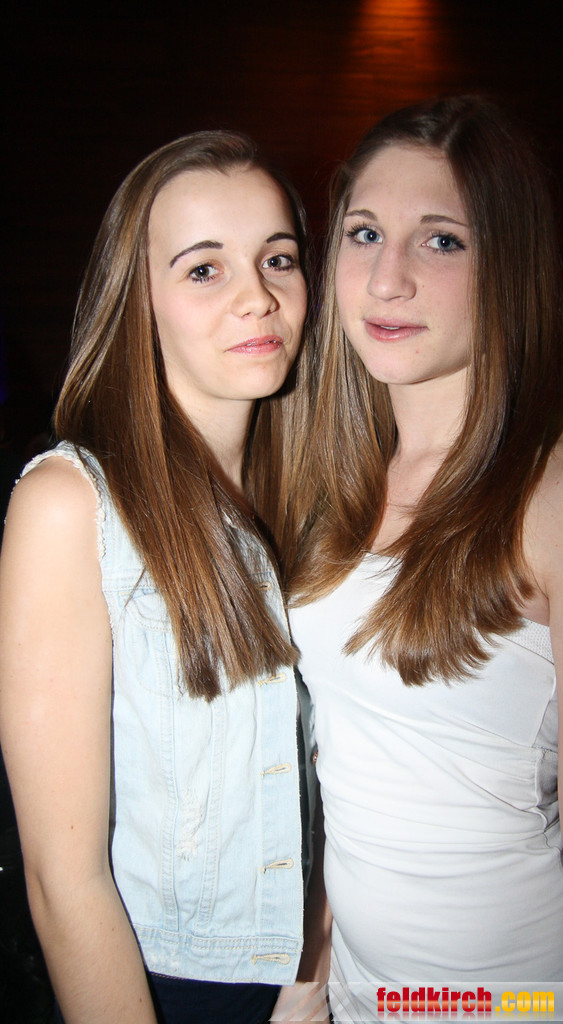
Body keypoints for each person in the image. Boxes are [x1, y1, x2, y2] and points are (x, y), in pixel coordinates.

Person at [285, 96, 563, 1020]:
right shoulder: (330, 483)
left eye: (441, 241)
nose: (387, 280)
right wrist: (309, 986)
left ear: (509, 264)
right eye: (364, 233)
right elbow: (344, 775)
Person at [0, 129, 315, 1024]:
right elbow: (63, 881)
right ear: (135, 304)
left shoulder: (317, 507)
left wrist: (313, 970)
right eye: (204, 269)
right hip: (161, 991)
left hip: (315, 981)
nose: (258, 297)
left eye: (278, 259)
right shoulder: (73, 505)